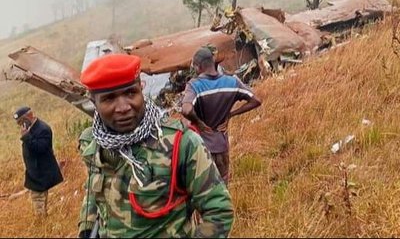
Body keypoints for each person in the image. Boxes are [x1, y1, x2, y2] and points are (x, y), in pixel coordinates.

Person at [77, 53, 233, 238]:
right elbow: (94, 194)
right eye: (109, 99)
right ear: (93, 102)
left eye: (130, 93)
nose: (123, 107)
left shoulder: (181, 143)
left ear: (141, 90)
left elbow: (219, 211)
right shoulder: (93, 144)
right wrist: (86, 229)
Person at [182, 47, 262, 185]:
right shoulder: (232, 82)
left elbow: (187, 110)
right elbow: (256, 100)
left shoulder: (194, 85)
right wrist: (230, 115)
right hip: (222, 144)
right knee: (223, 186)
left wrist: (199, 123)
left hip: (201, 148)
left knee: (203, 188)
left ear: (198, 66)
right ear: (213, 62)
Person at [13, 106, 63, 216]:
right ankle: (42, 218)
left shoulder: (43, 129)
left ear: (28, 116)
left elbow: (40, 148)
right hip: (34, 170)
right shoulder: (31, 128)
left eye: (21, 121)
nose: (20, 125)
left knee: (38, 198)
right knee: (39, 196)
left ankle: (41, 222)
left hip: (41, 171)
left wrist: (26, 137)